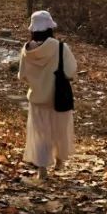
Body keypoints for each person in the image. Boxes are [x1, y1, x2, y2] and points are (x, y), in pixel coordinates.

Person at [18, 10, 77, 181]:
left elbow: (22, 75)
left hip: (37, 98)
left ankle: (42, 168)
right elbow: (71, 71)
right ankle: (59, 159)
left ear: (33, 29)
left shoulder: (26, 51)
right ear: (50, 27)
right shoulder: (60, 47)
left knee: (40, 133)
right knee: (60, 129)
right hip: (57, 97)